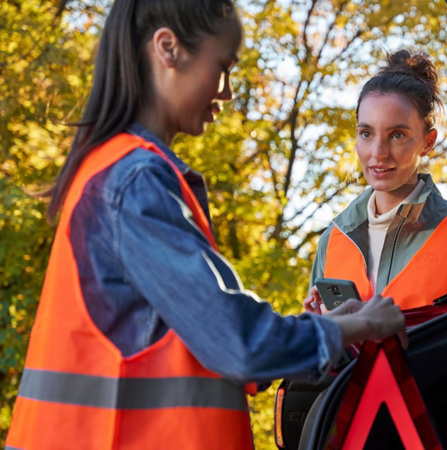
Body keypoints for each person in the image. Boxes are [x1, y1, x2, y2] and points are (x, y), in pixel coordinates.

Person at [5, 0, 405, 448]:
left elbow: (205, 337)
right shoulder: (135, 181)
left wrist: (315, 329)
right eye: (223, 67)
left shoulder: (114, 171)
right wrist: (363, 324)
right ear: (168, 49)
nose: (228, 92)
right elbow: (240, 344)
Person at [304, 50, 447, 314]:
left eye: (397, 135)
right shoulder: (332, 240)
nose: (378, 152)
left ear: (428, 142)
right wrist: (317, 329)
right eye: (366, 133)